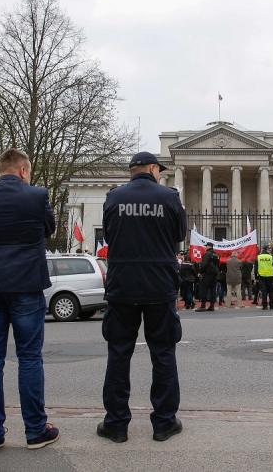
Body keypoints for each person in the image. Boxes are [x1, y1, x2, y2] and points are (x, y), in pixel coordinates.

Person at [0, 149, 59, 456]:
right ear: (22, 171)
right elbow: (49, 228)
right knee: (29, 357)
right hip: (26, 284)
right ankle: (35, 430)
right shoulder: (36, 196)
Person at [98, 151, 187, 443]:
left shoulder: (114, 197)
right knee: (163, 354)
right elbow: (179, 235)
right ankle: (163, 422)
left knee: (119, 354)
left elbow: (109, 235)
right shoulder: (170, 198)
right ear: (152, 169)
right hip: (159, 285)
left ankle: (116, 424)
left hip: (122, 285)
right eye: (159, 170)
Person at [195, 242, 218, 312]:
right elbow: (218, 264)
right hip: (214, 274)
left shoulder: (207, 254)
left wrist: (200, 272)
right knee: (213, 290)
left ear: (208, 246)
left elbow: (204, 264)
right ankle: (212, 306)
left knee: (204, 289)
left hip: (208, 274)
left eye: (206, 246)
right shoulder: (216, 254)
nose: (205, 247)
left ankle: (203, 306)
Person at [256, 246, 273, 310]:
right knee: (271, 291)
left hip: (261, 276)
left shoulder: (258, 257)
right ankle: (272, 305)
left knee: (264, 291)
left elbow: (256, 268)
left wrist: (256, 277)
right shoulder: (271, 257)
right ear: (267, 250)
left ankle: (264, 305)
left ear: (262, 250)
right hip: (270, 275)